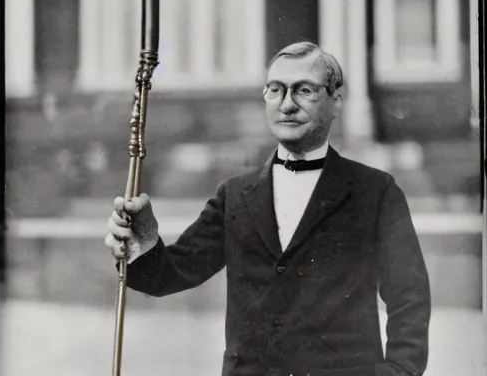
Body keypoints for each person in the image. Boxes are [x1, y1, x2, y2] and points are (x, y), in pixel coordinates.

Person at [105, 41, 431, 376]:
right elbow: (172, 273)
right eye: (275, 90)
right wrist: (143, 243)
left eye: (303, 90)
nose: (286, 104)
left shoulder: (375, 192)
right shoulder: (234, 196)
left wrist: (397, 373)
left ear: (336, 102)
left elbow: (410, 298)